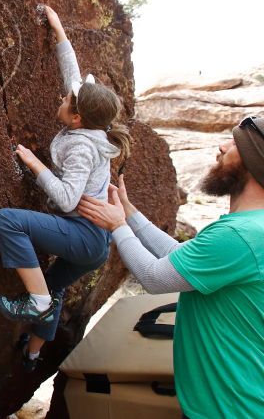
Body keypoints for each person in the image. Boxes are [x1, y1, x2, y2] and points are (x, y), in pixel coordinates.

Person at [77, 116, 264, 418]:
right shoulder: (250, 229)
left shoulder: (239, 235)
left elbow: (155, 278)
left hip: (233, 409)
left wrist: (117, 225)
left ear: (255, 162)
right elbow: (180, 258)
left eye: (235, 144)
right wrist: (131, 214)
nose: (221, 146)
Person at [0, 5, 132, 371]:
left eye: (66, 102)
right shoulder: (91, 121)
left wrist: (35, 164)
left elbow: (68, 197)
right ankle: (33, 354)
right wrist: (59, 31)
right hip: (96, 243)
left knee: (7, 221)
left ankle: (35, 300)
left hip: (84, 235)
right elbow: (72, 76)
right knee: (55, 286)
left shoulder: (84, 146)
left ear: (78, 118)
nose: (61, 99)